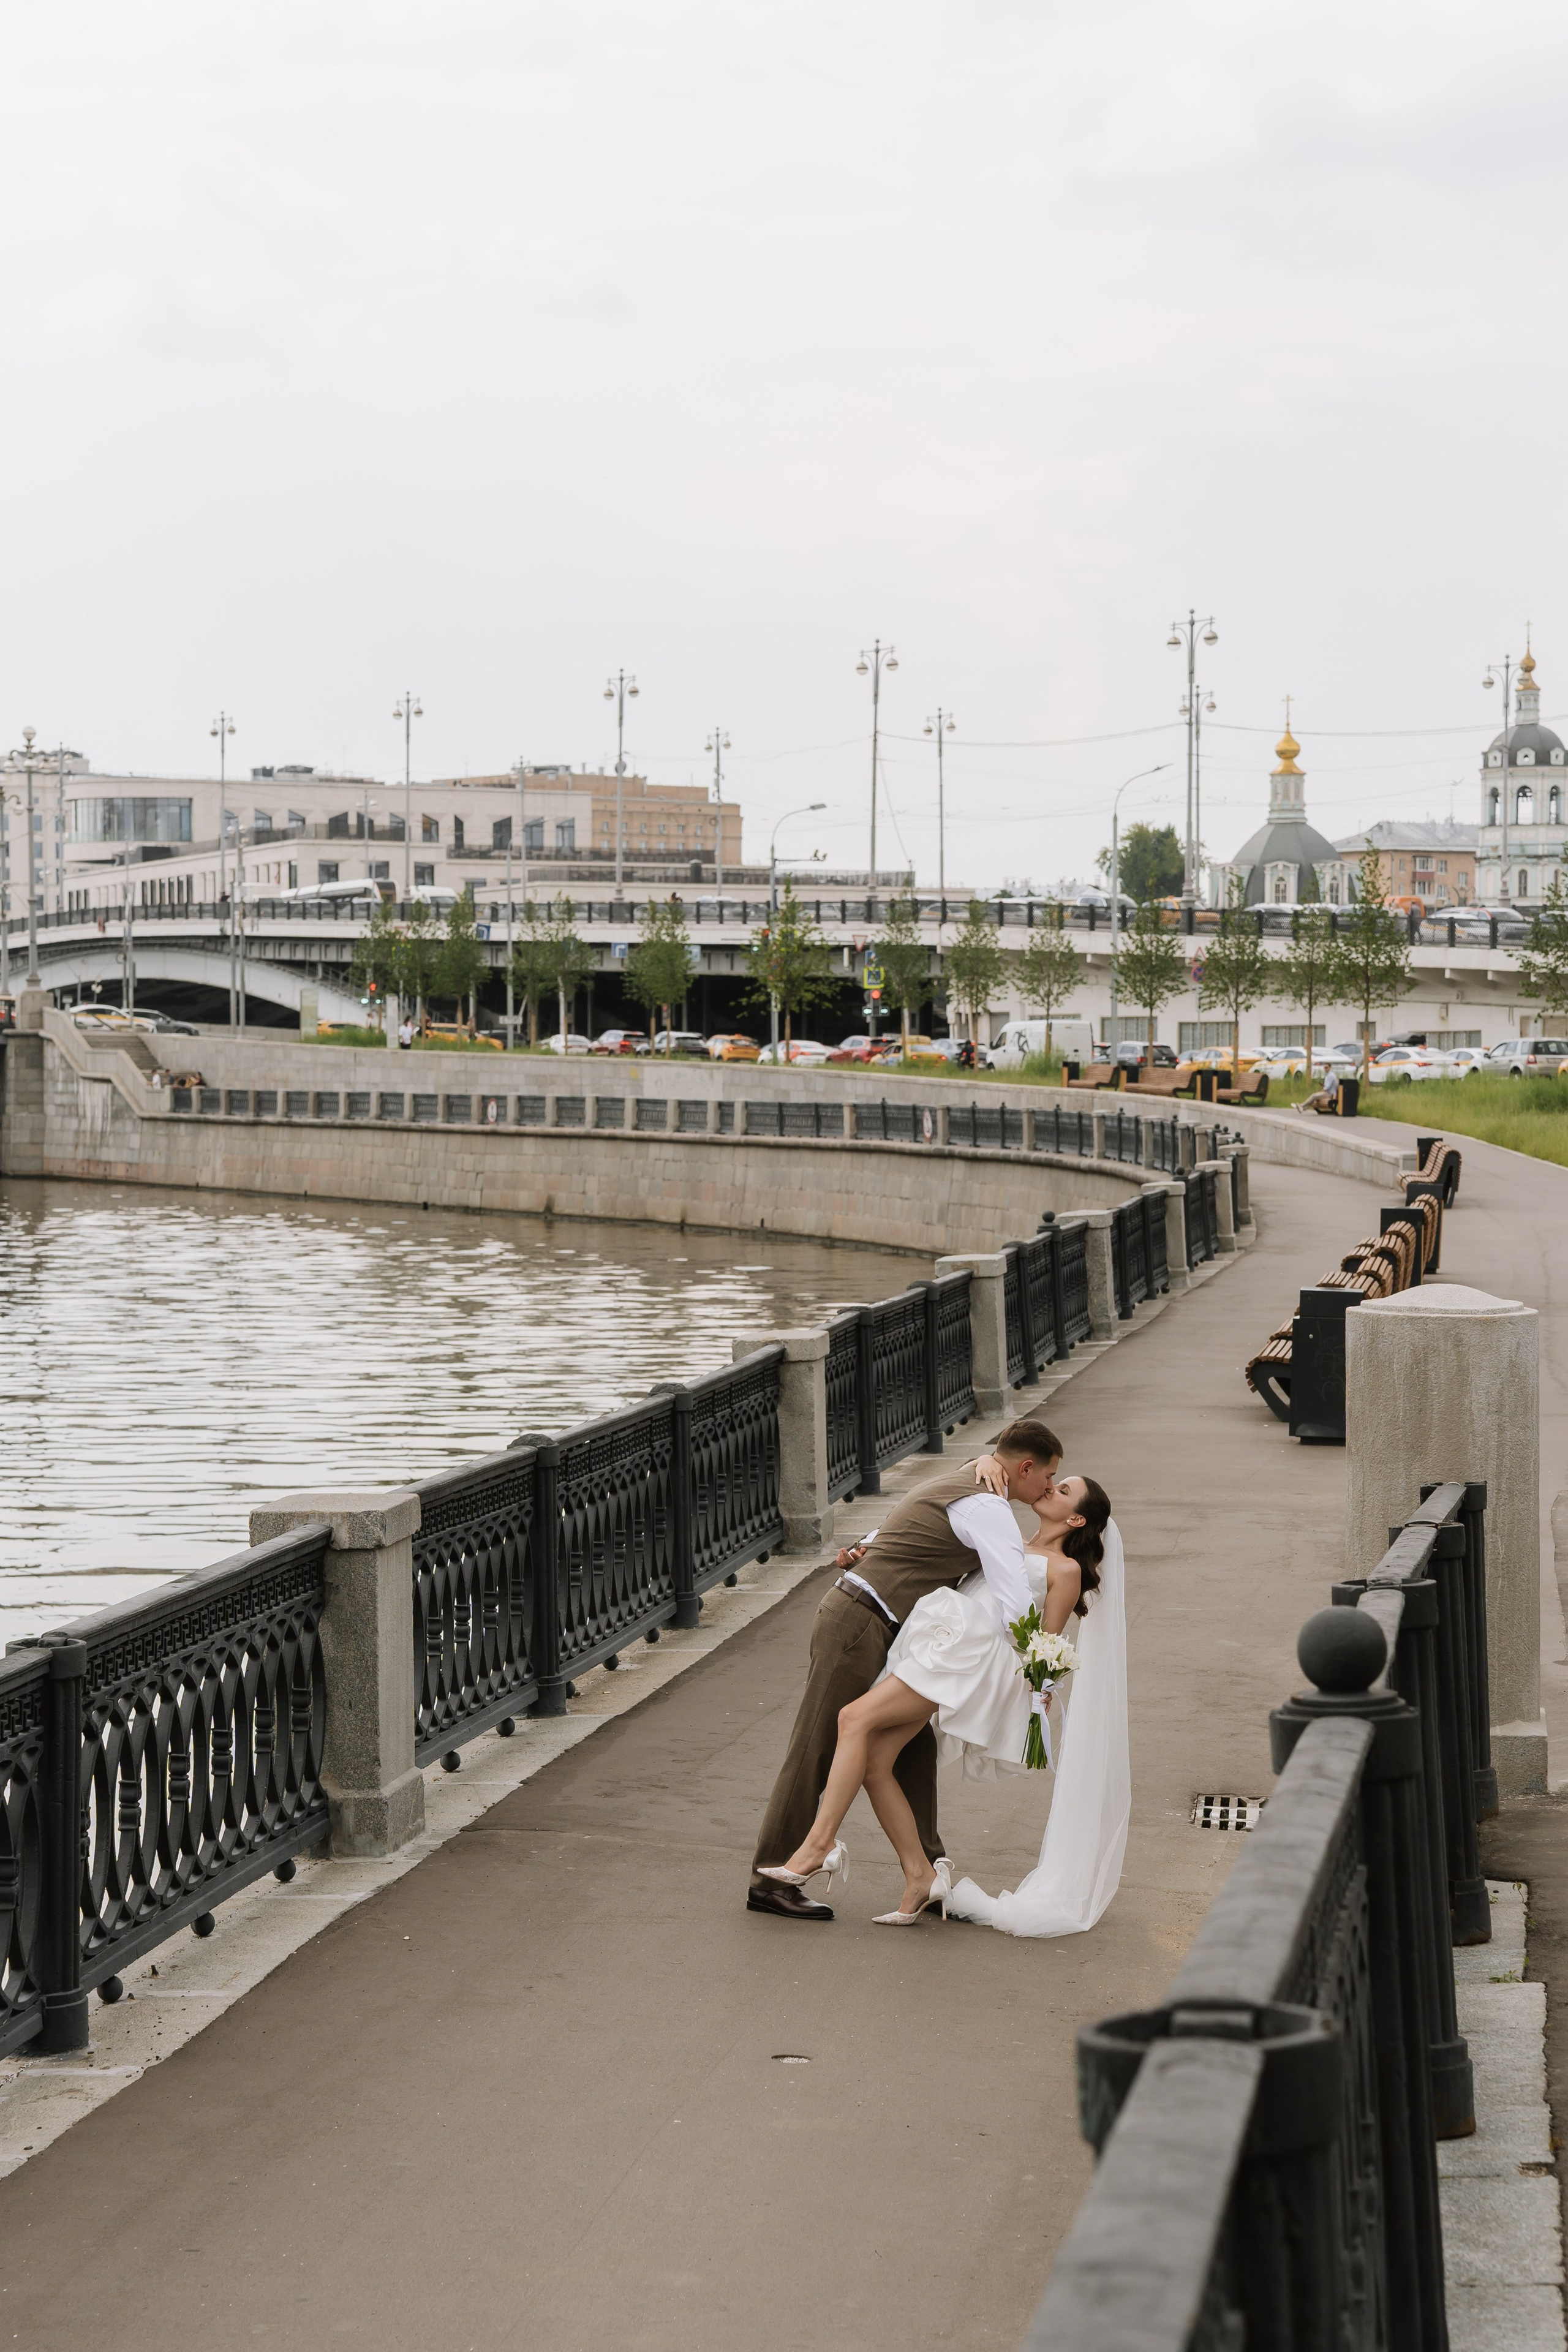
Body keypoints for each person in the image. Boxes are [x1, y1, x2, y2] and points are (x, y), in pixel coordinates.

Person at [760, 1462, 1120, 1928]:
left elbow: (1045, 1642)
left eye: (1064, 1488)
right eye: (1052, 1479)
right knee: (874, 1764)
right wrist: (867, 1552)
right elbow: (935, 1540)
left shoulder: (1066, 1569)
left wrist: (1041, 1689)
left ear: (1076, 1519)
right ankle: (920, 1875)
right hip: (936, 1645)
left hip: (968, 1664)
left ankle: (819, 1845)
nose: (1052, 1486)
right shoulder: (1004, 1536)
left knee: (853, 1720)